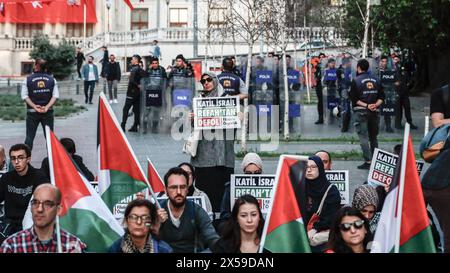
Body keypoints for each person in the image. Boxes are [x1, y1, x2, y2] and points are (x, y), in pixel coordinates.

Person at [190, 72, 236, 213]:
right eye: (203, 81)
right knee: (206, 191)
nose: (206, 83)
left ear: (215, 81)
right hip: (204, 156)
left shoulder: (227, 100)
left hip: (223, 155)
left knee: (222, 193)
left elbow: (234, 126)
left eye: (209, 79)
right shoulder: (199, 100)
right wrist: (193, 119)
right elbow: (195, 128)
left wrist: (237, 115)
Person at [0, 184, 86, 253]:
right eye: (35, 203)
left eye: (47, 204)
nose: (40, 209)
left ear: (58, 209)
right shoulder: (12, 245)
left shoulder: (72, 246)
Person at [154, 167, 219, 253]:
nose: (178, 192)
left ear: (187, 189)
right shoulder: (156, 209)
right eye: (173, 187)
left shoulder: (196, 210)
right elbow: (144, 240)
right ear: (165, 190)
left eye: (182, 187)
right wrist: (156, 225)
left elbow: (211, 236)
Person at [0, 144, 49, 240]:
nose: (17, 162)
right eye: (13, 158)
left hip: (32, 223)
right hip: (10, 225)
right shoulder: (7, 178)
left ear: (28, 159)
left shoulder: (39, 176)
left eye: (20, 158)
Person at [349, 59, 385, 169]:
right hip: (375, 111)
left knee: (363, 137)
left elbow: (354, 99)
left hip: (361, 111)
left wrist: (366, 105)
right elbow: (382, 97)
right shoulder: (376, 79)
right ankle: (375, 161)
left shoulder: (356, 80)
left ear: (359, 67)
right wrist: (375, 105)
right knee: (373, 137)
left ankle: (368, 161)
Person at [217, 152, 263, 234]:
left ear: (261, 172)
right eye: (248, 173)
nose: (252, 177)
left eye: (257, 173)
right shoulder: (231, 187)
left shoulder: (273, 186)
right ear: (243, 172)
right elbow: (224, 215)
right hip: (237, 227)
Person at [303, 155, 341, 252]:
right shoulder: (299, 187)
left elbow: (331, 217)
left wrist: (315, 229)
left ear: (320, 168)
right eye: (306, 167)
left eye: (313, 167)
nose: (309, 170)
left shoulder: (331, 191)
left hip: (320, 235)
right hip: (300, 232)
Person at [22, 59, 59, 150]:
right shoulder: (52, 80)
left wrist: (34, 106)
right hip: (47, 112)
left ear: (36, 66)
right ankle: (52, 160)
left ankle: (26, 160)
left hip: (32, 112)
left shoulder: (27, 79)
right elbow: (55, 96)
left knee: (29, 137)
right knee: (50, 138)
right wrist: (46, 107)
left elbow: (24, 96)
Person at [121, 54, 147, 132]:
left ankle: (123, 125)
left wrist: (138, 85)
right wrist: (141, 85)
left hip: (131, 92)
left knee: (125, 109)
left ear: (136, 60)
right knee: (136, 110)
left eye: (132, 59)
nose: (131, 61)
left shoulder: (134, 69)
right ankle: (135, 126)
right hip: (138, 93)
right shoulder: (140, 69)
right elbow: (146, 76)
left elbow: (132, 80)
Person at [143, 57, 167, 133]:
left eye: (156, 63)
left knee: (156, 111)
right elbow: (144, 79)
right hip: (149, 92)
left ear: (158, 63)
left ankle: (154, 127)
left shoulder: (162, 70)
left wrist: (164, 89)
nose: (155, 65)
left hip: (158, 92)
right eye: (153, 63)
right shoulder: (148, 70)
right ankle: (144, 127)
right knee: (147, 110)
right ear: (151, 64)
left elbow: (165, 79)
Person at [393, 55, 418, 130]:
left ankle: (409, 123)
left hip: (405, 93)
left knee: (407, 108)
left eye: (397, 59)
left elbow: (408, 79)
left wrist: (408, 84)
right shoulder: (391, 70)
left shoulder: (403, 70)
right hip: (396, 92)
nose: (396, 61)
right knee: (398, 109)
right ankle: (397, 124)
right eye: (394, 60)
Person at [378, 56, 398, 132]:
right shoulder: (377, 71)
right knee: (381, 111)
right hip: (380, 93)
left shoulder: (390, 71)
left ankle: (389, 127)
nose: (384, 63)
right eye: (382, 61)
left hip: (389, 92)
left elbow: (395, 81)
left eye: (385, 61)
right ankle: (380, 127)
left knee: (389, 110)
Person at [314, 53, 326, 124]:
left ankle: (328, 117)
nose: (322, 58)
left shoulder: (327, 66)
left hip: (327, 87)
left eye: (323, 57)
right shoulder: (317, 67)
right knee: (320, 102)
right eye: (320, 57)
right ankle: (320, 118)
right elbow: (316, 77)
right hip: (319, 86)